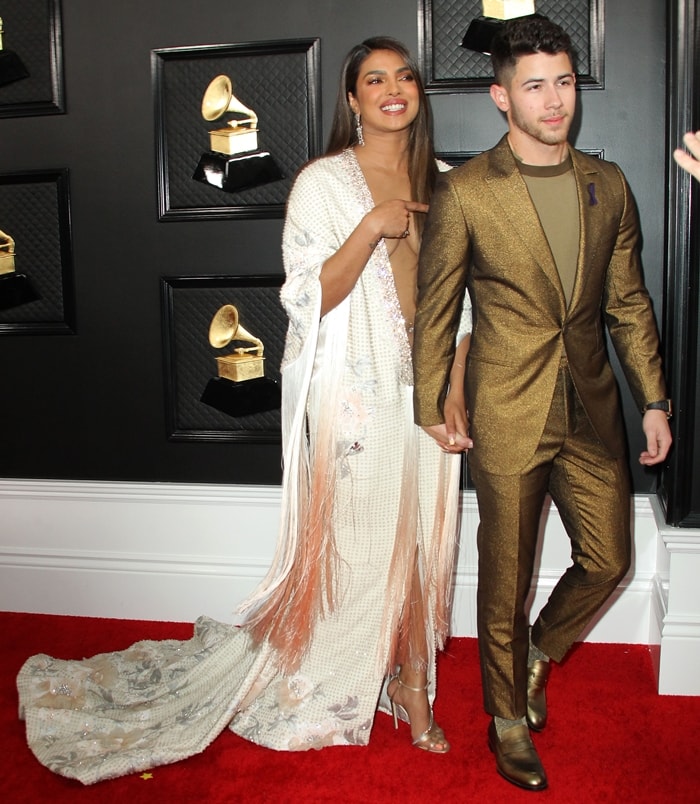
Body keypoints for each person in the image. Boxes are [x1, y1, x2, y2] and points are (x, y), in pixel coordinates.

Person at [16, 37, 472, 785]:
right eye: (374, 79)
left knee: (424, 538)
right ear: (352, 101)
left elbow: (462, 303)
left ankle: (413, 685)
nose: (394, 89)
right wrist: (369, 228)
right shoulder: (325, 183)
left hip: (424, 391)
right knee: (355, 548)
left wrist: (453, 384)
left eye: (405, 76)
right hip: (354, 396)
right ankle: (335, 679)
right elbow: (306, 298)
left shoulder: (449, 183)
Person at [412, 16, 672, 792]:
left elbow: (628, 301)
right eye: (535, 86)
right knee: (506, 573)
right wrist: (432, 402)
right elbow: (435, 309)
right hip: (506, 406)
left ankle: (535, 655)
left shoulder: (608, 183)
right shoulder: (465, 193)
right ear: (501, 96)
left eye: (563, 82)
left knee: (610, 560)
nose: (555, 100)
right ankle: (506, 718)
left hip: (592, 406)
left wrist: (652, 399)